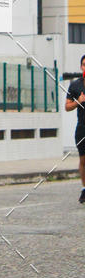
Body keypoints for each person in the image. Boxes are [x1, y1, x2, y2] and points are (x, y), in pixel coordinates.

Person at [65, 54, 85, 204]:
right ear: (81, 67)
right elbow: (67, 107)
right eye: (84, 64)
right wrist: (79, 101)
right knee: (83, 160)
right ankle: (84, 189)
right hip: (82, 128)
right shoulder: (75, 86)